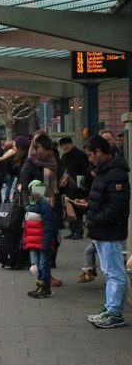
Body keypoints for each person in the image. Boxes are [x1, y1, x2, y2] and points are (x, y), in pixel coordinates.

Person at [76, 136, 130, 329]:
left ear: (99, 152)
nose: (90, 159)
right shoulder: (105, 171)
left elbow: (118, 206)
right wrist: (90, 206)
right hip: (102, 230)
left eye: (91, 155)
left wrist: (94, 219)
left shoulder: (115, 173)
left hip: (109, 231)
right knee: (109, 271)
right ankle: (110, 308)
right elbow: (108, 201)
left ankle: (115, 312)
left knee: (114, 272)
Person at [23, 180, 57, 298]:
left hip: (41, 240)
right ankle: (40, 286)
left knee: (43, 264)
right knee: (38, 263)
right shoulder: (35, 204)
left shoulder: (42, 205)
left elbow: (48, 226)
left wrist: (46, 243)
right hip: (37, 240)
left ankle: (45, 288)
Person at [58, 136, 89, 240]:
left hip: (78, 185)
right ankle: (73, 230)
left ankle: (78, 231)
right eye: (62, 146)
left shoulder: (80, 155)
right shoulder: (64, 157)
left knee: (77, 208)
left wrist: (82, 185)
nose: (65, 147)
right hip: (68, 185)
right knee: (69, 208)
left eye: (66, 145)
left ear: (71, 144)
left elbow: (85, 171)